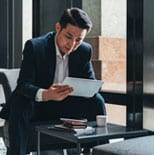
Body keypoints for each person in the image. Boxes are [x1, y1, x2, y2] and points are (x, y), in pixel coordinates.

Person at [0, 7, 106, 155]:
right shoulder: (35, 46)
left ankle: (101, 151)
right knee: (20, 102)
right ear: (58, 27)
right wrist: (46, 94)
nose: (72, 44)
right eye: (68, 37)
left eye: (78, 40)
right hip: (39, 107)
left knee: (98, 101)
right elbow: (24, 85)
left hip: (67, 106)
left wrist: (87, 88)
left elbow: (90, 82)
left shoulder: (84, 51)